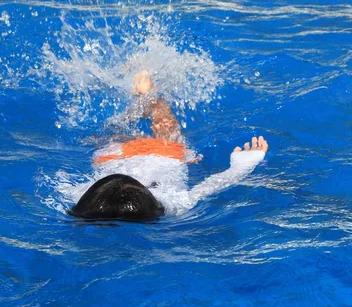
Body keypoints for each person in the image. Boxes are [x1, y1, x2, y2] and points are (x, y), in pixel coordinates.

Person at [69, 71, 268, 221]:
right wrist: (243, 165)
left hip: (163, 154)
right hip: (113, 157)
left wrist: (243, 165)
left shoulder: (173, 204)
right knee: (120, 132)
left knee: (163, 121)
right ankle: (146, 94)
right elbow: (214, 184)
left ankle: (146, 93)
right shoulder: (78, 194)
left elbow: (214, 184)